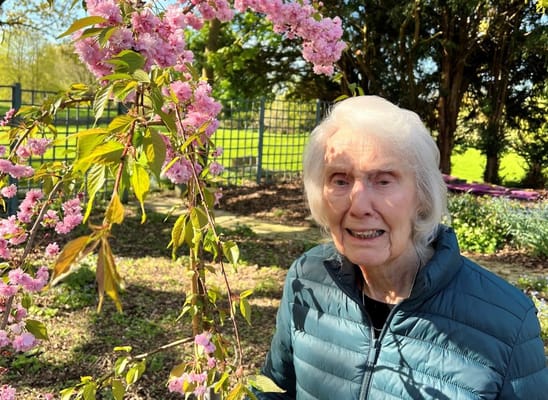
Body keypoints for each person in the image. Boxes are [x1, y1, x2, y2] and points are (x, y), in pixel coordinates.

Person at [253, 96, 548, 399]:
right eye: (340, 181)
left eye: (383, 181)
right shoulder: (307, 279)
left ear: (421, 195)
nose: (359, 205)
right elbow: (275, 390)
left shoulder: (508, 321)